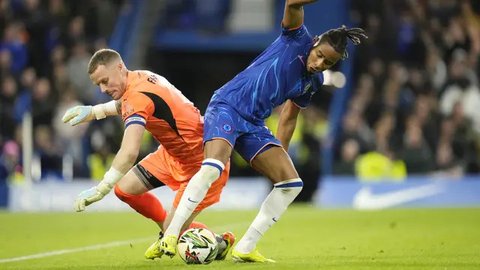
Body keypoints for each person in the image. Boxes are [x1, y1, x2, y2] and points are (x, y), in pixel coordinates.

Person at [159, 0, 367, 263]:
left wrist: (279, 153)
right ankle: (170, 235)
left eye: (327, 63)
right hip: (228, 105)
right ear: (314, 43)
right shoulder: (296, 38)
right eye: (319, 55)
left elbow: (290, 117)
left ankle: (245, 247)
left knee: (291, 184)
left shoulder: (311, 82)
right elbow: (292, 3)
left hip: (254, 123)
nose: (319, 63)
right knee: (213, 167)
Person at [61, 48, 235, 261]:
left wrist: (100, 189)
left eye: (105, 81)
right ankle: (169, 228)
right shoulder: (140, 77)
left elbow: (129, 152)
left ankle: (219, 242)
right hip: (172, 155)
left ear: (119, 67)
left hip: (202, 162)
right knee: (125, 190)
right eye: (98, 84)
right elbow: (126, 103)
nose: (103, 88)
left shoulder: (136, 95)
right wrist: (94, 112)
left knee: (174, 232)